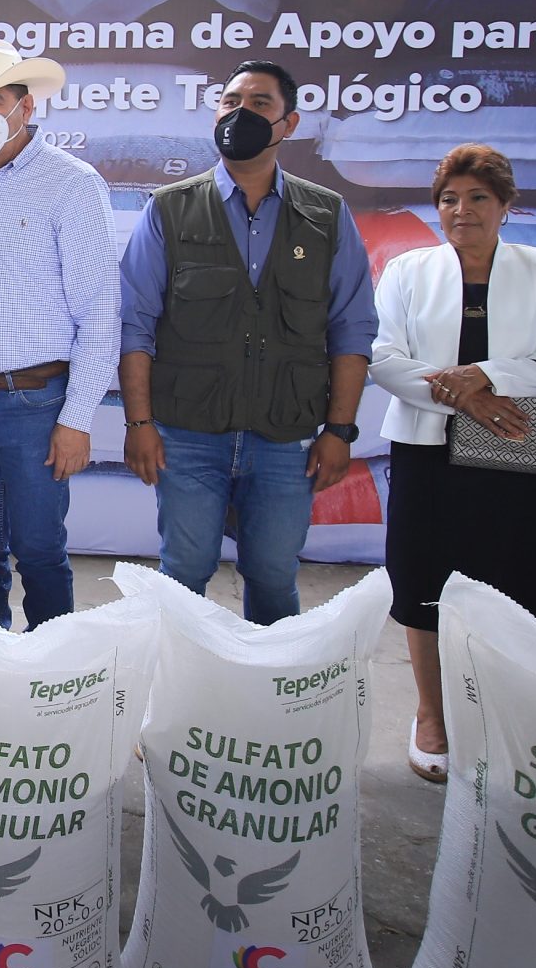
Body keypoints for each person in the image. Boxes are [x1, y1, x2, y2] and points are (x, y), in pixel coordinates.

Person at [116, 59, 375, 624]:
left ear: (289, 123)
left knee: (274, 576)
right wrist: (139, 423)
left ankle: (268, 678)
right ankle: (183, 677)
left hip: (284, 437)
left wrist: (339, 431)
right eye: (231, 102)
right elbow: (135, 325)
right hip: (189, 434)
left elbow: (352, 328)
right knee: (183, 574)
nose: (241, 114)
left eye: (259, 104)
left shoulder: (326, 215)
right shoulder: (169, 209)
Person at [368, 144, 536, 784]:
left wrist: (485, 379)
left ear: (506, 205)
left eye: (479, 197)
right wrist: (462, 395)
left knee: (509, 581)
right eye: (449, 199)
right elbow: (382, 356)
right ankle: (432, 716)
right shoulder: (408, 269)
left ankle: (498, 715)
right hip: (426, 445)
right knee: (423, 579)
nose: (462, 210)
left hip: (517, 440)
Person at [0, 40, 118, 630]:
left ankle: (51, 670)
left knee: (39, 551)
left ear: (25, 107)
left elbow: (100, 313)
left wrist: (76, 418)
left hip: (36, 406)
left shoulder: (71, 183)